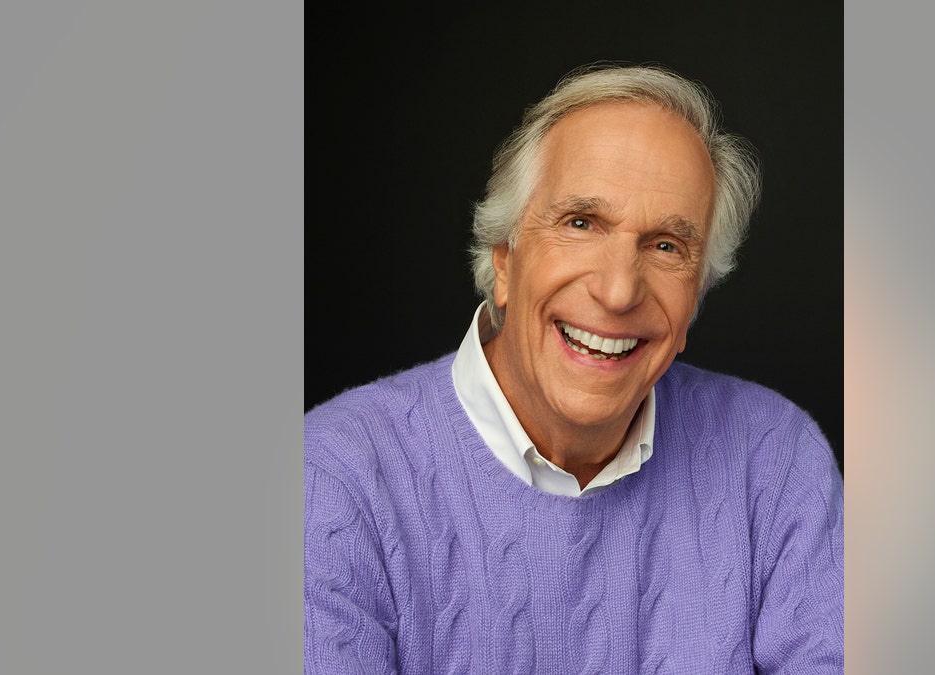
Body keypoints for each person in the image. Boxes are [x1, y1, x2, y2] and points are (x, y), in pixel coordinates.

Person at [304, 63, 843, 673]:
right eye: (580, 224)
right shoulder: (334, 481)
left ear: (695, 298)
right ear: (504, 261)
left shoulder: (776, 461)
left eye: (666, 245)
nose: (617, 291)